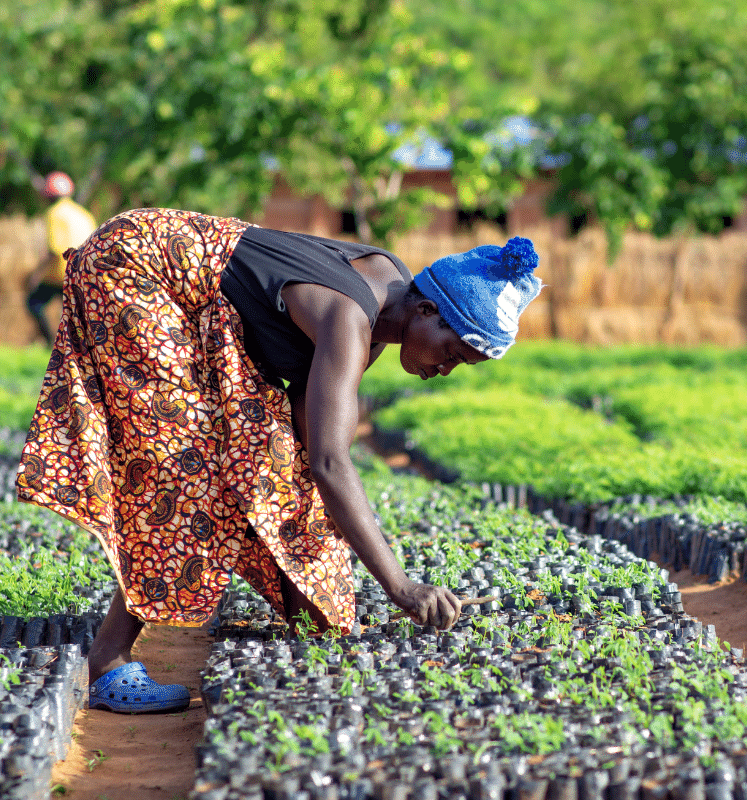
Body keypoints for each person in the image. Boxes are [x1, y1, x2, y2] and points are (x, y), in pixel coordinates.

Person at [16, 207, 542, 713]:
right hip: (137, 268)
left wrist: (311, 576)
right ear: (427, 310)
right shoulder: (349, 317)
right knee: (190, 470)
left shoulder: (390, 288)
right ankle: (107, 661)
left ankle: (295, 608)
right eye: (452, 353)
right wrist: (400, 586)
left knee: (262, 459)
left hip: (168, 276)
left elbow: (305, 441)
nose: (445, 369)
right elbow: (330, 463)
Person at [23, 172, 97, 346]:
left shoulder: (54, 213)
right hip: (84, 273)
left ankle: (50, 342)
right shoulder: (84, 214)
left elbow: (54, 250)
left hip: (61, 273)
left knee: (34, 303)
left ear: (48, 195)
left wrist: (36, 275)